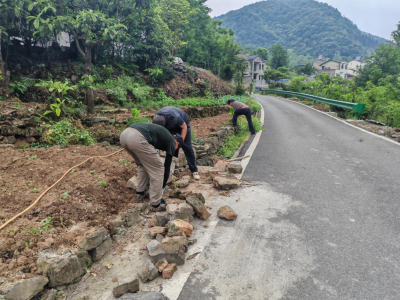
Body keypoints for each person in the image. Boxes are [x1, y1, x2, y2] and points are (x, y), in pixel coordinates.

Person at [120, 122, 182, 212]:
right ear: (177, 142)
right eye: (178, 147)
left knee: (142, 164)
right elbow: (166, 168)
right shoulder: (172, 142)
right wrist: (162, 187)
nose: (175, 149)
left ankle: (139, 193)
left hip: (124, 135)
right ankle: (156, 204)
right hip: (137, 138)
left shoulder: (165, 134)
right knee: (158, 168)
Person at [152, 106, 200, 180]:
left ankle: (194, 170)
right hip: (169, 126)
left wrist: (181, 142)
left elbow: (184, 127)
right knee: (168, 144)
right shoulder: (156, 118)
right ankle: (167, 168)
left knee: (187, 147)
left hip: (183, 126)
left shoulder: (174, 117)